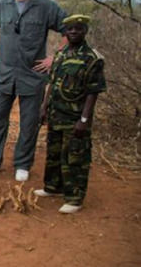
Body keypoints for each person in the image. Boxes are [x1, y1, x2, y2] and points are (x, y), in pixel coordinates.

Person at [0, 0, 67, 182]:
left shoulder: (46, 6)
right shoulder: (2, 5)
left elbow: (69, 29)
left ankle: (23, 164)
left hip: (32, 75)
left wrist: (53, 57)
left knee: (29, 122)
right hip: (5, 74)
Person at [35, 14, 106, 214]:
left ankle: (74, 198)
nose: (74, 32)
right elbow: (52, 83)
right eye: (70, 29)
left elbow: (93, 92)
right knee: (54, 153)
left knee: (75, 156)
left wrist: (84, 120)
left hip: (75, 117)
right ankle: (53, 187)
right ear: (65, 32)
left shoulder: (91, 58)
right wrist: (44, 107)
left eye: (78, 29)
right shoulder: (61, 54)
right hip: (56, 114)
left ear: (85, 31)